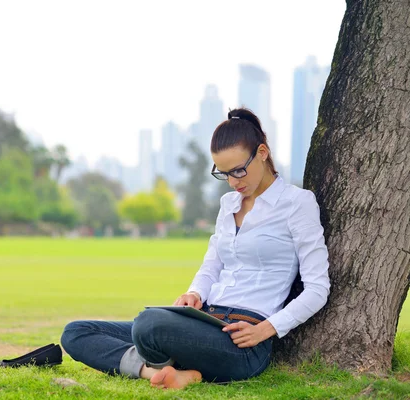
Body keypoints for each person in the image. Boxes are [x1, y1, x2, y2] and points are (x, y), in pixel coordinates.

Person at [61, 107, 330, 389]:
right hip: (203, 321)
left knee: (148, 324)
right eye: (224, 173)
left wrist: (266, 329)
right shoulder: (229, 205)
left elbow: (317, 287)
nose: (234, 182)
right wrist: (194, 293)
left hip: (244, 340)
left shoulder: (297, 203)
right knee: (77, 332)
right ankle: (159, 373)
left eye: (239, 170)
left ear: (262, 152)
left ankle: (168, 363)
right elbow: (213, 263)